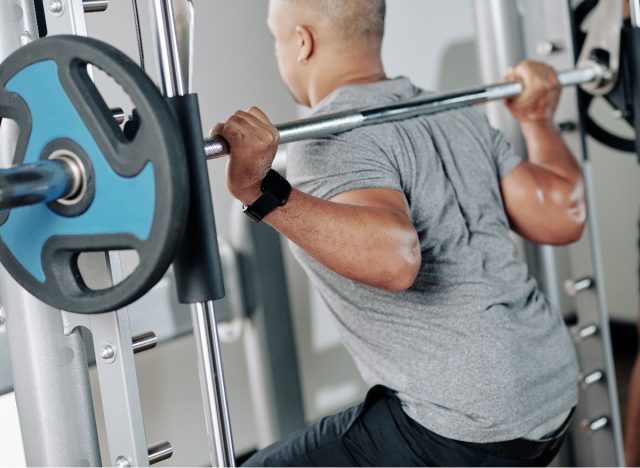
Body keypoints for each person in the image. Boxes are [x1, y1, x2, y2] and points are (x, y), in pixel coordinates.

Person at [212, 0, 585, 465]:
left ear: (302, 42)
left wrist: (257, 190)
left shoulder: (328, 136)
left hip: (464, 421)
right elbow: (562, 214)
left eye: (276, 38)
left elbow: (395, 259)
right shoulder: (451, 112)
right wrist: (538, 119)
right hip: (550, 389)